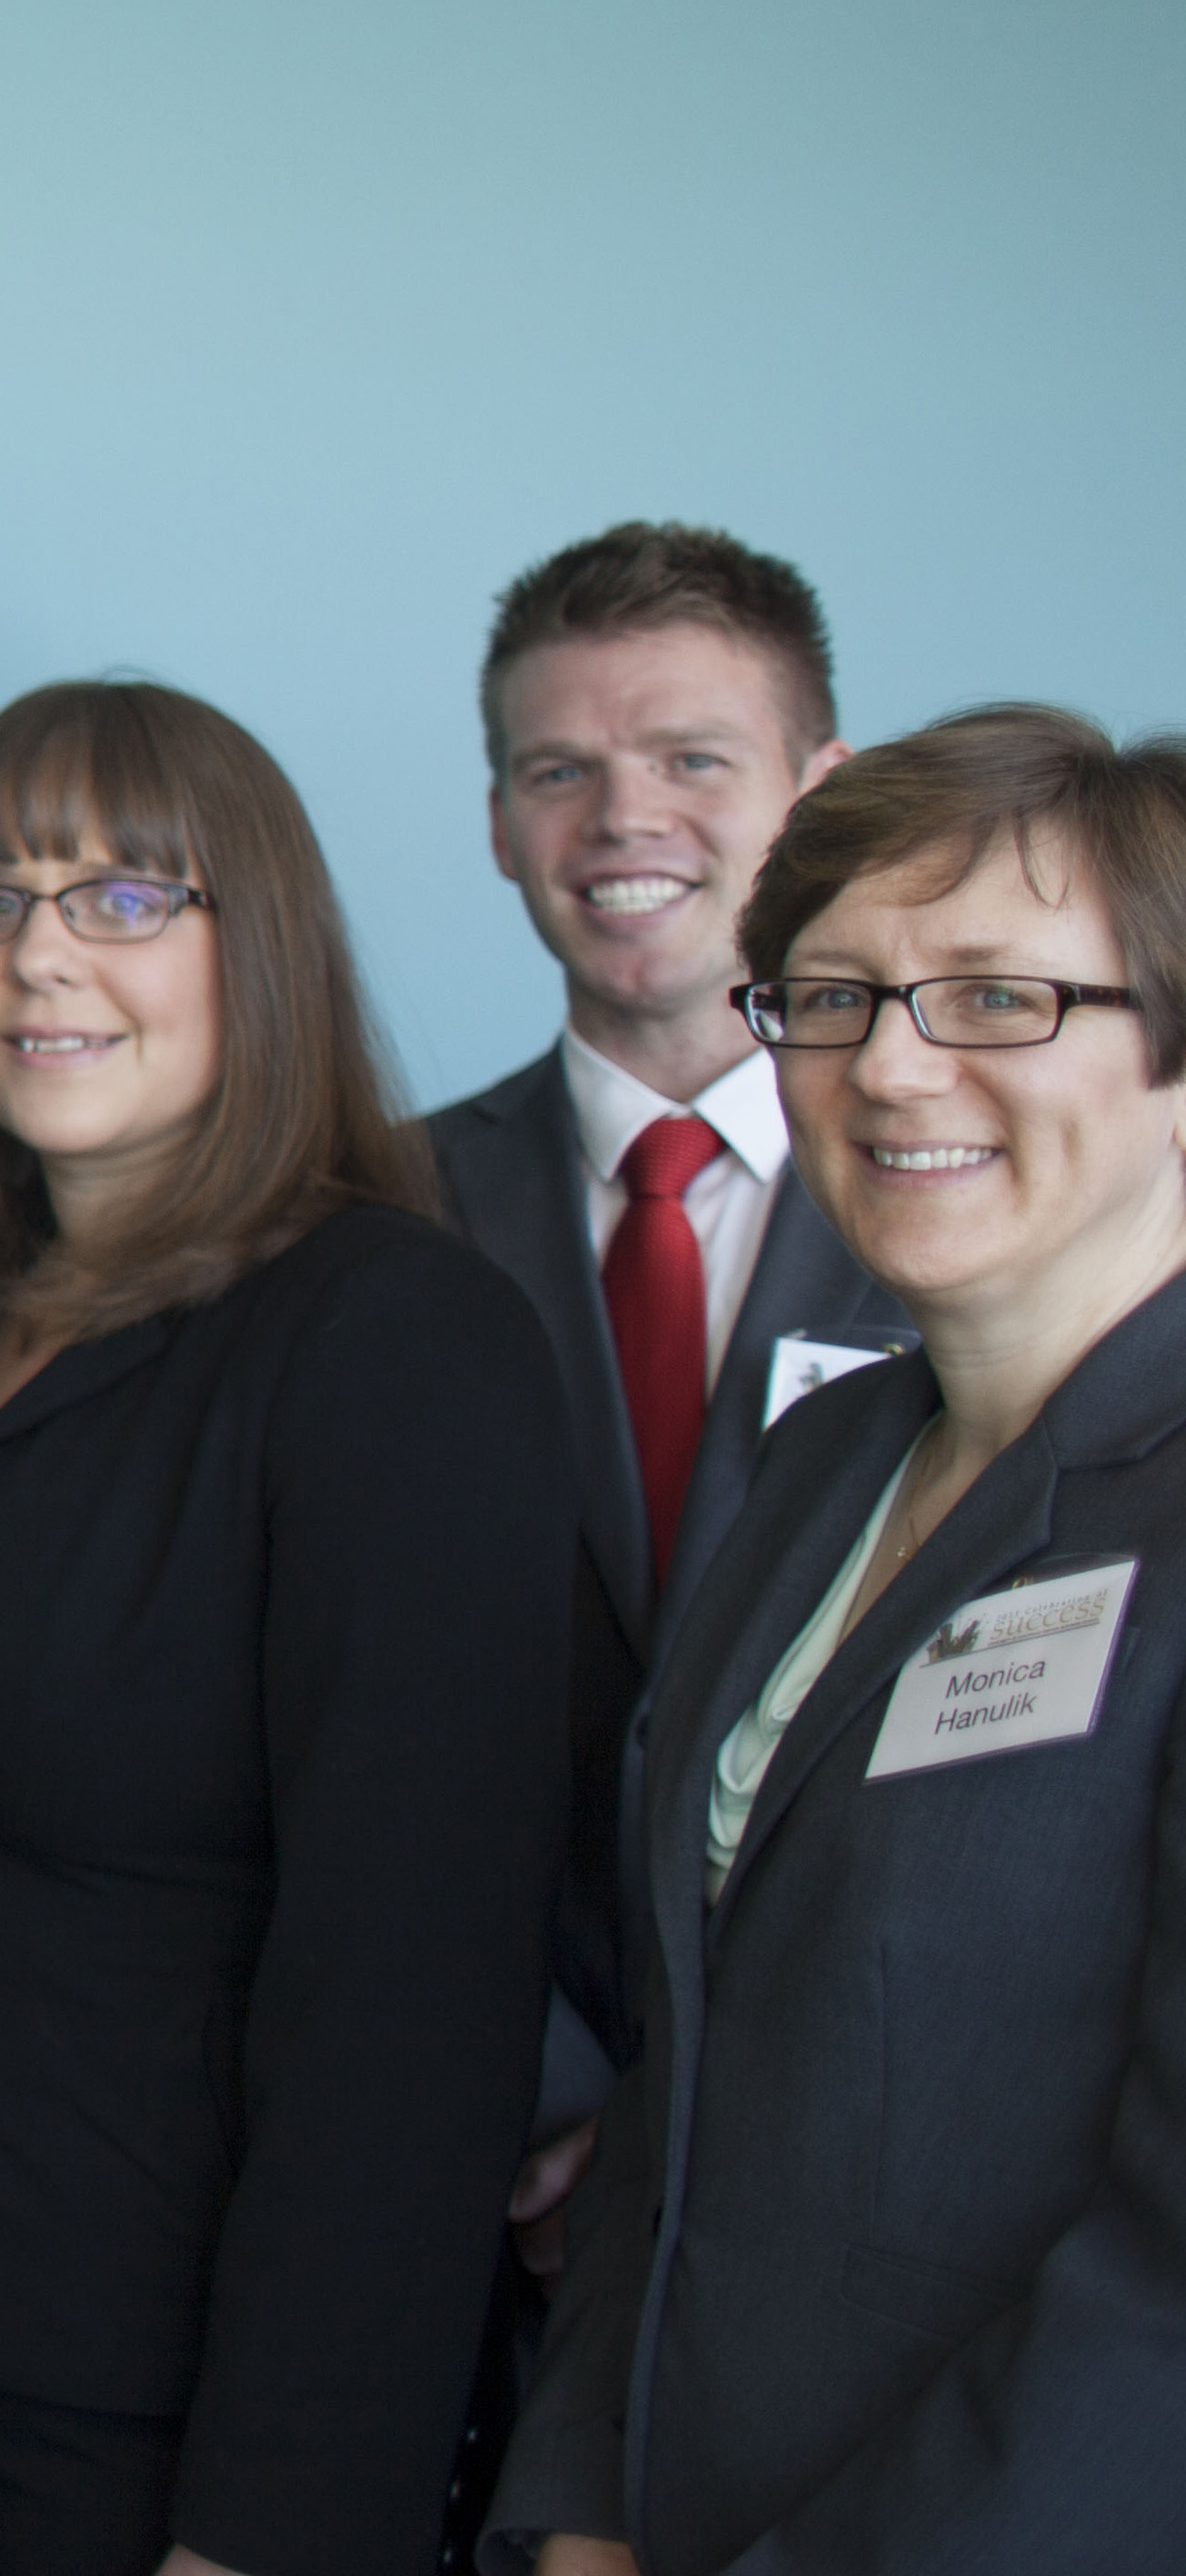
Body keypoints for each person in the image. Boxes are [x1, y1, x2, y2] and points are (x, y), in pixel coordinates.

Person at [0, 681, 573, 2576]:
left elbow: (409, 2004)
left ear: (258, 940)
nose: (37, 957)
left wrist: (281, 2517)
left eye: (119, 898)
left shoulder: (394, 1342)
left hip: (164, 2410)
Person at [493, 708, 1186, 2571]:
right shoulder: (824, 1456)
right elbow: (682, 2064)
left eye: (992, 997)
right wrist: (576, 2500)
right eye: (827, 996)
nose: (885, 1064)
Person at [426, 522, 901, 2131]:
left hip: (841, 2121)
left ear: (821, 794)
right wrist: (547, 2090)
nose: (624, 816)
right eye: (558, 770)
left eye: (691, 757)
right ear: (499, 824)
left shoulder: (973, 1196)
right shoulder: (373, 1212)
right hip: (482, 2117)